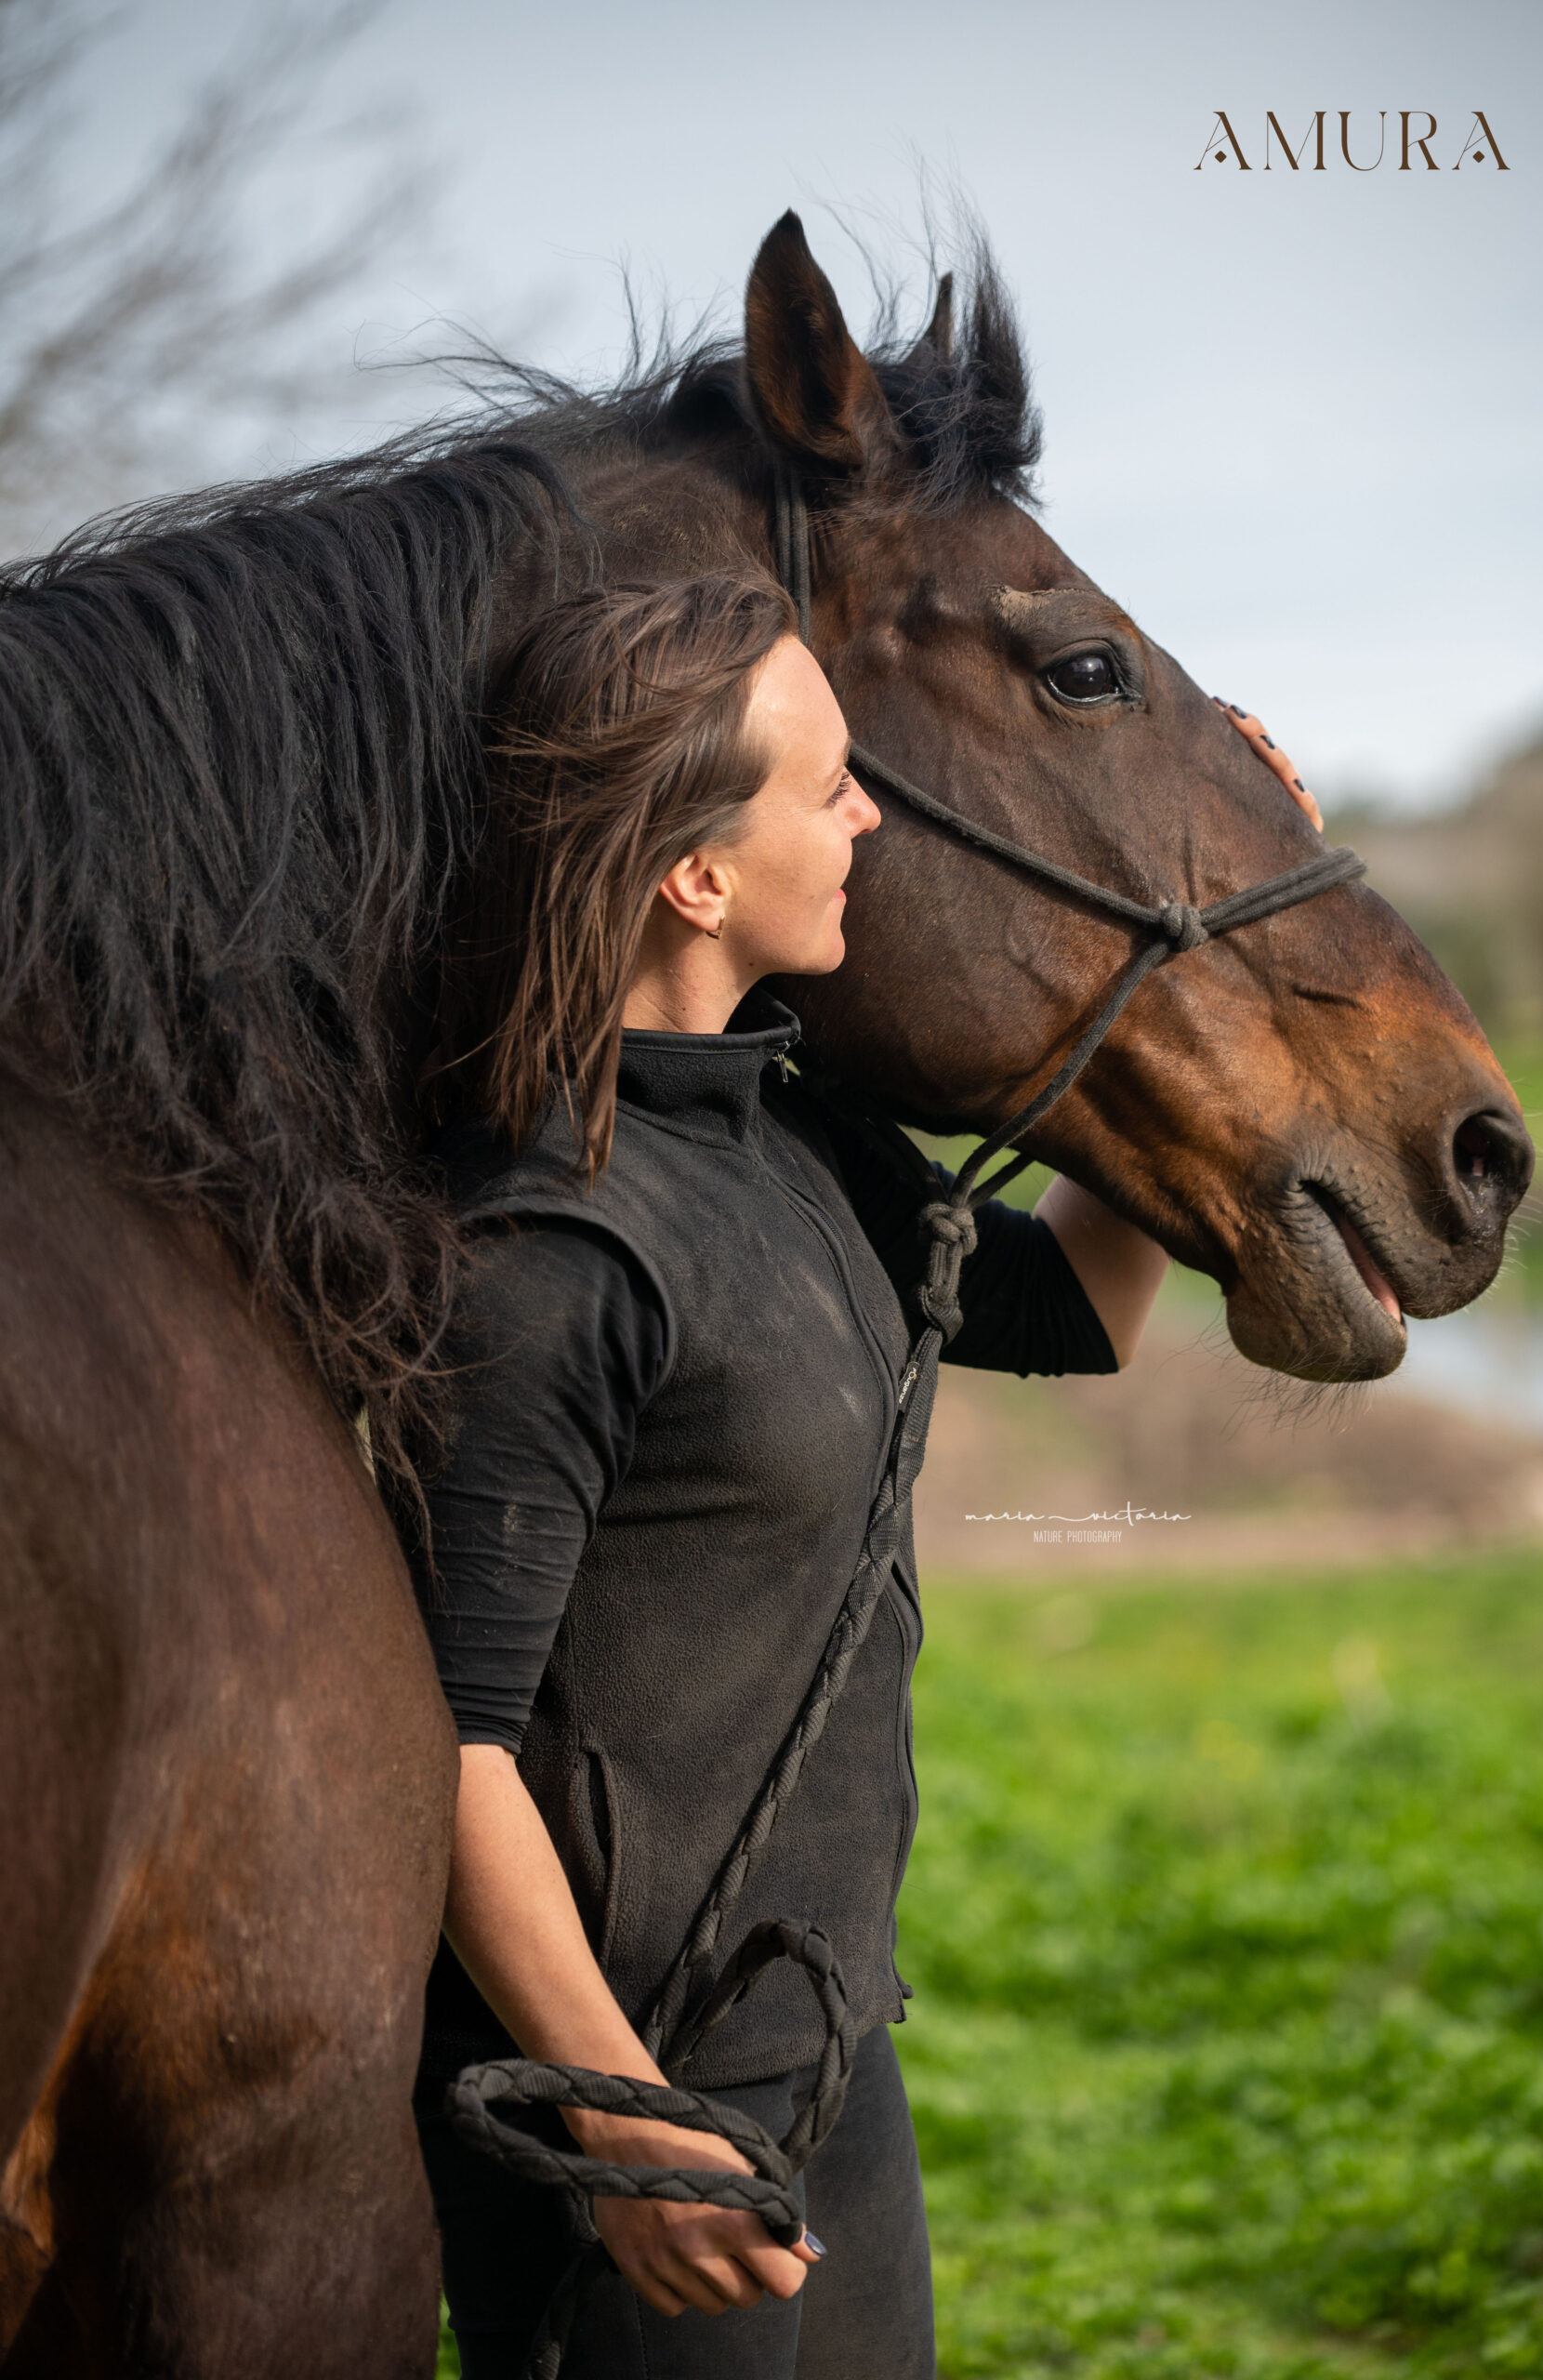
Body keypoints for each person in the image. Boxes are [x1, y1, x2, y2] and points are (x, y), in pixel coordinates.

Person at [409, 570, 1168, 2380]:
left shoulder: (798, 1129)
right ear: (692, 871)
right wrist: (622, 2119)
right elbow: (445, 1743)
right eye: (827, 786)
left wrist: (1173, 950)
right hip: (639, 2093)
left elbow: (1076, 1308)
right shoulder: (551, 1245)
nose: (867, 819)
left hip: (827, 2029)